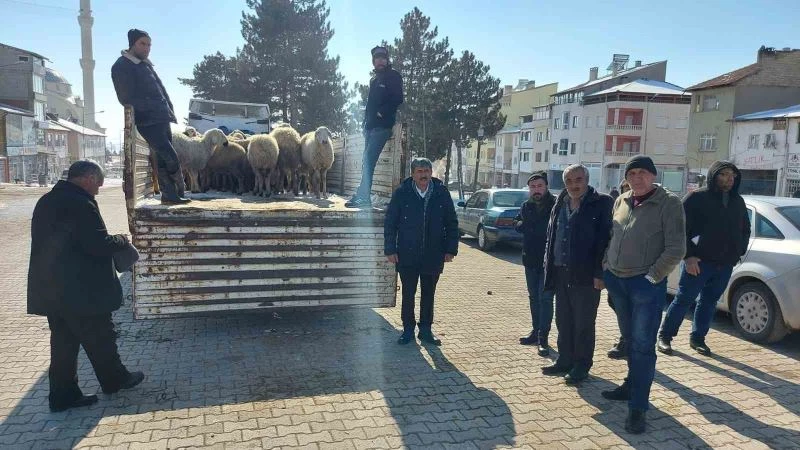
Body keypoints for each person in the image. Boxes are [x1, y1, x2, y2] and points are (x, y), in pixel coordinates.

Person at [27, 160, 145, 413]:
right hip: (81, 291)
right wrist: (121, 240)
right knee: (101, 337)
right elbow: (97, 244)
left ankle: (63, 396)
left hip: (52, 289)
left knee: (63, 345)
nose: (98, 190)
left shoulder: (47, 200)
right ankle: (115, 380)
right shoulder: (80, 203)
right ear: (88, 178)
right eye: (98, 184)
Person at [601, 155, 686, 434]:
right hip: (617, 282)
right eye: (632, 173)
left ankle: (638, 407)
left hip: (645, 285)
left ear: (653, 175)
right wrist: (606, 265)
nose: (637, 178)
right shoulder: (622, 200)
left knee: (642, 346)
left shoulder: (668, 203)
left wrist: (652, 277)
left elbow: (676, 248)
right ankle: (631, 385)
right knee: (629, 340)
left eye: (642, 172)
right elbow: (613, 236)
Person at [658, 161, 750, 356]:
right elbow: (680, 229)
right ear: (714, 176)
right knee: (684, 299)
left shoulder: (738, 201)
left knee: (709, 302)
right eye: (724, 174)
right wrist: (689, 257)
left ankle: (698, 338)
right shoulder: (696, 198)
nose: (729, 179)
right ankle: (665, 336)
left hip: (725, 264)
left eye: (732, 175)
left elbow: (745, 229)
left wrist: (738, 251)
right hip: (698, 262)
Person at [541, 165, 613, 385]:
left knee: (583, 323)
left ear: (587, 180)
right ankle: (565, 360)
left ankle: (582, 364)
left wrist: (600, 273)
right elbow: (552, 236)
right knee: (563, 320)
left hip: (587, 274)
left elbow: (606, 240)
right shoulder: (560, 202)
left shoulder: (602, 202)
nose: (574, 185)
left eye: (578, 180)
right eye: (569, 181)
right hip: (560, 271)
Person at [384, 158, 458, 345]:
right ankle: (408, 329)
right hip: (407, 253)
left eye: (427, 171)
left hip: (433, 253)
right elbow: (390, 223)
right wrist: (390, 249)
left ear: (431, 172)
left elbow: (451, 222)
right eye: (419, 171)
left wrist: (451, 249)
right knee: (408, 294)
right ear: (412, 174)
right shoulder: (402, 193)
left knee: (428, 294)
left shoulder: (441, 192)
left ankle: (425, 330)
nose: (424, 175)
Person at [111, 29, 190, 205]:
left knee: (163, 158)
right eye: (142, 44)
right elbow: (125, 97)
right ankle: (178, 188)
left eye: (149, 45)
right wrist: (152, 107)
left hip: (161, 116)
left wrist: (168, 108)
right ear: (132, 44)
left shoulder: (145, 65)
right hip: (147, 119)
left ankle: (170, 195)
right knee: (169, 156)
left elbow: (160, 90)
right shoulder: (122, 66)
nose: (147, 48)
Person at [345, 45, 404, 208]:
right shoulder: (374, 80)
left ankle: (364, 197)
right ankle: (362, 195)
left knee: (369, 160)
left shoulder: (393, 76)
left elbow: (398, 98)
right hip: (370, 128)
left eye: (383, 58)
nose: (380, 61)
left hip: (383, 127)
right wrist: (365, 123)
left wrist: (382, 113)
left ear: (387, 60)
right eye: (377, 58)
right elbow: (370, 104)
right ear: (373, 61)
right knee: (366, 161)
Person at [513, 171, 556, 356]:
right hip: (530, 259)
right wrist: (521, 225)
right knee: (533, 297)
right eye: (533, 187)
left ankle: (543, 337)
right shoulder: (526, 205)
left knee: (545, 299)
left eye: (539, 186)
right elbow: (517, 222)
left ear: (546, 187)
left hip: (549, 261)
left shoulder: (555, 205)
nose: (536, 190)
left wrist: (531, 226)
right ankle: (535, 331)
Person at [607, 178, 632, 360]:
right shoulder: (619, 205)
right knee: (615, 303)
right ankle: (627, 337)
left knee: (632, 310)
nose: (628, 190)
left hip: (638, 272)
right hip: (615, 269)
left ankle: (629, 342)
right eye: (625, 187)